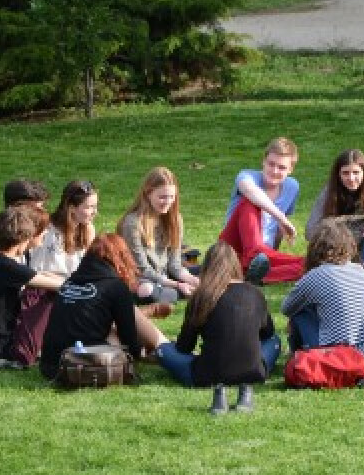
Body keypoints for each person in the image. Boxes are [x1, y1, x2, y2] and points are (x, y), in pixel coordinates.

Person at [157, 242, 281, 414]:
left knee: (163, 350)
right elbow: (268, 334)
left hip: (207, 373)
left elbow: (184, 347)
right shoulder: (254, 293)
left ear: (207, 267)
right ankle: (245, 385)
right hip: (253, 370)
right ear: (235, 264)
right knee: (275, 341)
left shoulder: (202, 296)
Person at [40, 233, 172, 380]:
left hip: (50, 366)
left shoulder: (69, 282)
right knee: (118, 327)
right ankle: (166, 349)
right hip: (87, 363)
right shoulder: (114, 286)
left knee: (101, 324)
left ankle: (160, 343)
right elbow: (128, 334)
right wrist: (136, 356)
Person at [281, 220, 364, 375]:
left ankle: (300, 355)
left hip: (338, 357)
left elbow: (286, 308)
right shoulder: (362, 271)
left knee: (300, 313)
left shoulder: (316, 275)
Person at [0, 205, 64, 368]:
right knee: (44, 293)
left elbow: (38, 275)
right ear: (23, 239)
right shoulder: (7, 267)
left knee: (38, 289)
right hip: (2, 350)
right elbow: (59, 286)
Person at [218, 137, 306, 284]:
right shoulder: (247, 176)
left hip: (263, 255)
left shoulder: (292, 187)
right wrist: (281, 218)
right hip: (232, 250)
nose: (275, 171)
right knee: (250, 202)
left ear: (291, 169)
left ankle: (252, 276)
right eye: (271, 164)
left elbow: (279, 231)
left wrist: (274, 253)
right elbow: (250, 191)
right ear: (263, 162)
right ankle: (252, 262)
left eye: (282, 167)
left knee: (309, 266)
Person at [304, 149, 364, 272]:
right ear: (338, 175)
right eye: (345, 173)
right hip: (338, 245)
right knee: (327, 227)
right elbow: (310, 230)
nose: (351, 178)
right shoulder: (330, 192)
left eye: (356, 172)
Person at [118, 167, 201, 305]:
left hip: (165, 274)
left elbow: (174, 264)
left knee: (210, 269)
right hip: (142, 278)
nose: (168, 202)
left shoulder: (176, 219)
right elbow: (141, 269)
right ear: (148, 193)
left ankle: (190, 289)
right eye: (162, 197)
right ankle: (187, 292)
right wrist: (177, 285)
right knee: (146, 291)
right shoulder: (132, 223)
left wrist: (190, 279)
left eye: (171, 197)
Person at [30, 180, 98, 277]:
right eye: (89, 207)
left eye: (95, 206)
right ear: (72, 208)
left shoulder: (88, 229)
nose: (95, 212)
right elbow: (39, 271)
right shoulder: (47, 231)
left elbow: (90, 267)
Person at [0, 178, 48, 255]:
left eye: (42, 207)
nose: (42, 213)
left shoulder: (20, 233)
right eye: (36, 209)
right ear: (17, 208)